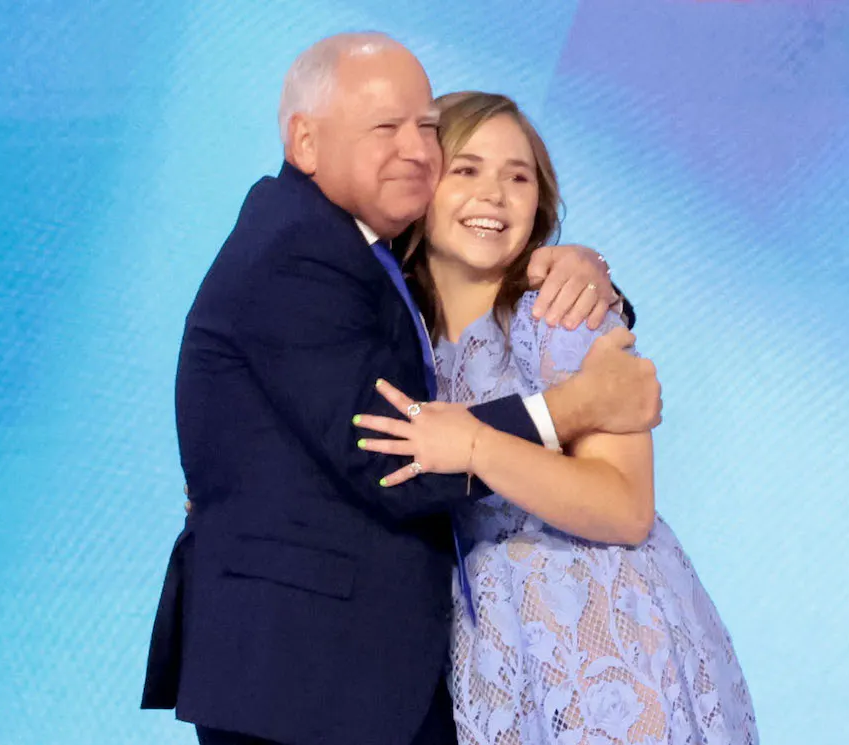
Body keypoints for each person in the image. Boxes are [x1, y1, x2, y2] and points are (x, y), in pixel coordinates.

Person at [141, 33, 663, 745]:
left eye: (426, 128)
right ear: (305, 141)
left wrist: (590, 271)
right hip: (308, 677)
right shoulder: (302, 253)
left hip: (503, 656)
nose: (416, 150)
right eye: (386, 127)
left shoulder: (371, 265)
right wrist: (577, 407)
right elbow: (394, 459)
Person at [354, 92, 758, 745]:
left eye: (518, 177)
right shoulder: (398, 337)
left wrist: (478, 446)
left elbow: (626, 506)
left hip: (605, 635)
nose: (494, 194)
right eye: (467, 169)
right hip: (498, 652)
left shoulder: (561, 317)